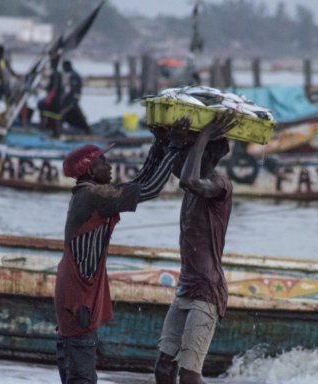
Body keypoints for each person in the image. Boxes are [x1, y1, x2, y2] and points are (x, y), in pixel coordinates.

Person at [54, 119, 189, 384]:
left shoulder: (89, 192)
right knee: (82, 375)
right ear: (90, 170)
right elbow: (149, 189)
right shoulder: (93, 196)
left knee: (75, 367)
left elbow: (137, 184)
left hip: (72, 288)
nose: (110, 166)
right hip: (79, 294)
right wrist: (174, 146)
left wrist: (159, 145)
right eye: (103, 162)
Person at [154, 111, 237, 384]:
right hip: (187, 287)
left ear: (209, 155)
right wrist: (166, 139)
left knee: (189, 376)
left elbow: (187, 180)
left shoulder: (218, 184)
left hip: (207, 291)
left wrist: (202, 136)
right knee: (164, 368)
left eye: (198, 150)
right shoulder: (196, 177)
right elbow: (177, 169)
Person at [61, 60, 91, 134]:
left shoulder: (73, 75)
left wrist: (69, 99)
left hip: (73, 99)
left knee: (66, 113)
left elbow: (74, 89)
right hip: (74, 99)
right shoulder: (73, 74)